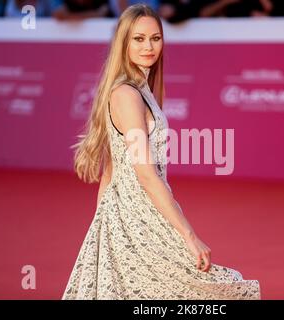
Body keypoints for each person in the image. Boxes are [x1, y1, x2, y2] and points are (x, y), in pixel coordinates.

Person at [62, 3, 261, 300]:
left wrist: (102, 225)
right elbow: (144, 172)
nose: (149, 47)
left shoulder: (139, 91)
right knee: (215, 291)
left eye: (155, 38)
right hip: (137, 220)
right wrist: (190, 236)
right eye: (138, 39)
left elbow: (111, 169)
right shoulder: (127, 95)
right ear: (123, 42)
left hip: (137, 217)